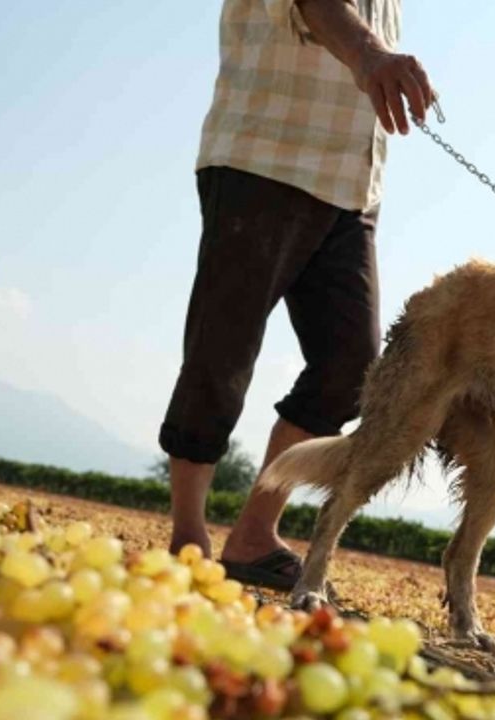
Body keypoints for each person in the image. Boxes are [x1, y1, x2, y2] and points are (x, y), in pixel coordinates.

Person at [159, 0, 435, 590]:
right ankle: (187, 534)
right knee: (222, 349)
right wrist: (371, 56)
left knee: (350, 367)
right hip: (265, 159)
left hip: (352, 190)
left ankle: (255, 533)